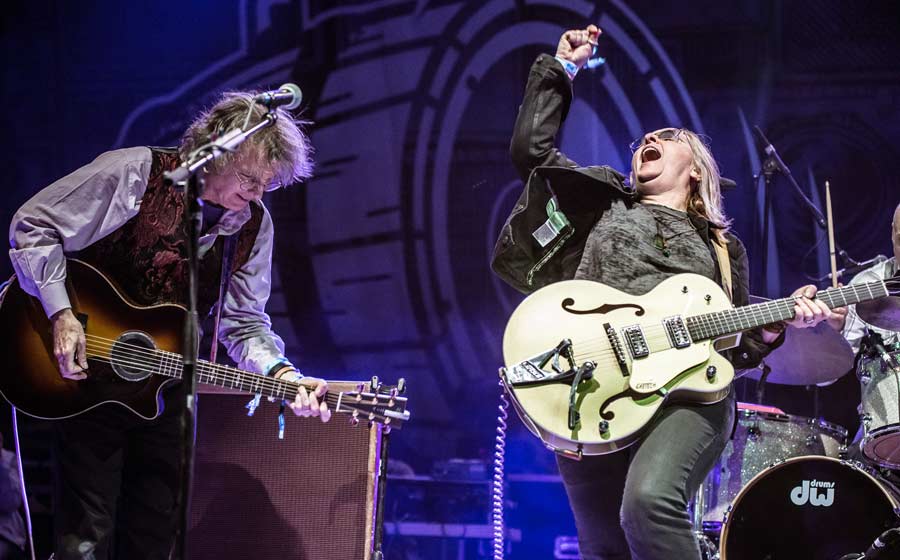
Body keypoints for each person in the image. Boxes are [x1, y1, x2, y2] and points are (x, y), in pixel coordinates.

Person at [491, 25, 843, 559]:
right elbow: (530, 151)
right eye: (642, 142)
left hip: (686, 397)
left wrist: (772, 326)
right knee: (603, 545)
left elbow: (733, 350)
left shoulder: (726, 250)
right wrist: (562, 69)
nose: (647, 141)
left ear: (697, 169)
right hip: (596, 384)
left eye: (667, 137)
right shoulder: (604, 203)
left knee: (650, 504)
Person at [8, 92, 331, 559]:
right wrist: (61, 313)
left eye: (268, 185)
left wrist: (282, 374)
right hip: (86, 379)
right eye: (248, 178)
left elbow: (242, 323)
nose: (258, 193)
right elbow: (34, 224)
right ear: (216, 147)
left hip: (165, 395)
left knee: (156, 542)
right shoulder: (136, 172)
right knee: (85, 541)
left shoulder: (254, 225)